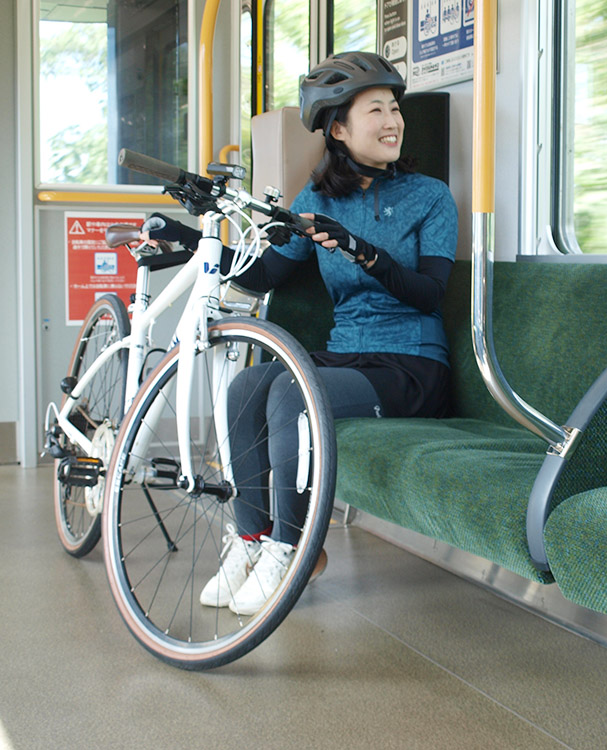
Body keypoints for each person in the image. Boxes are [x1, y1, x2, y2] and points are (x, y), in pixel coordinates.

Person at [144, 51, 457, 616]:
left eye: (395, 109)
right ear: (339, 129)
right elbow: (265, 273)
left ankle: (294, 547)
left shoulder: (430, 196)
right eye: (376, 111)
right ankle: (250, 540)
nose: (392, 122)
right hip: (348, 356)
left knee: (292, 393)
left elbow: (429, 293)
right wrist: (192, 241)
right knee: (246, 390)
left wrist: (362, 251)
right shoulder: (317, 199)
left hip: (411, 365)